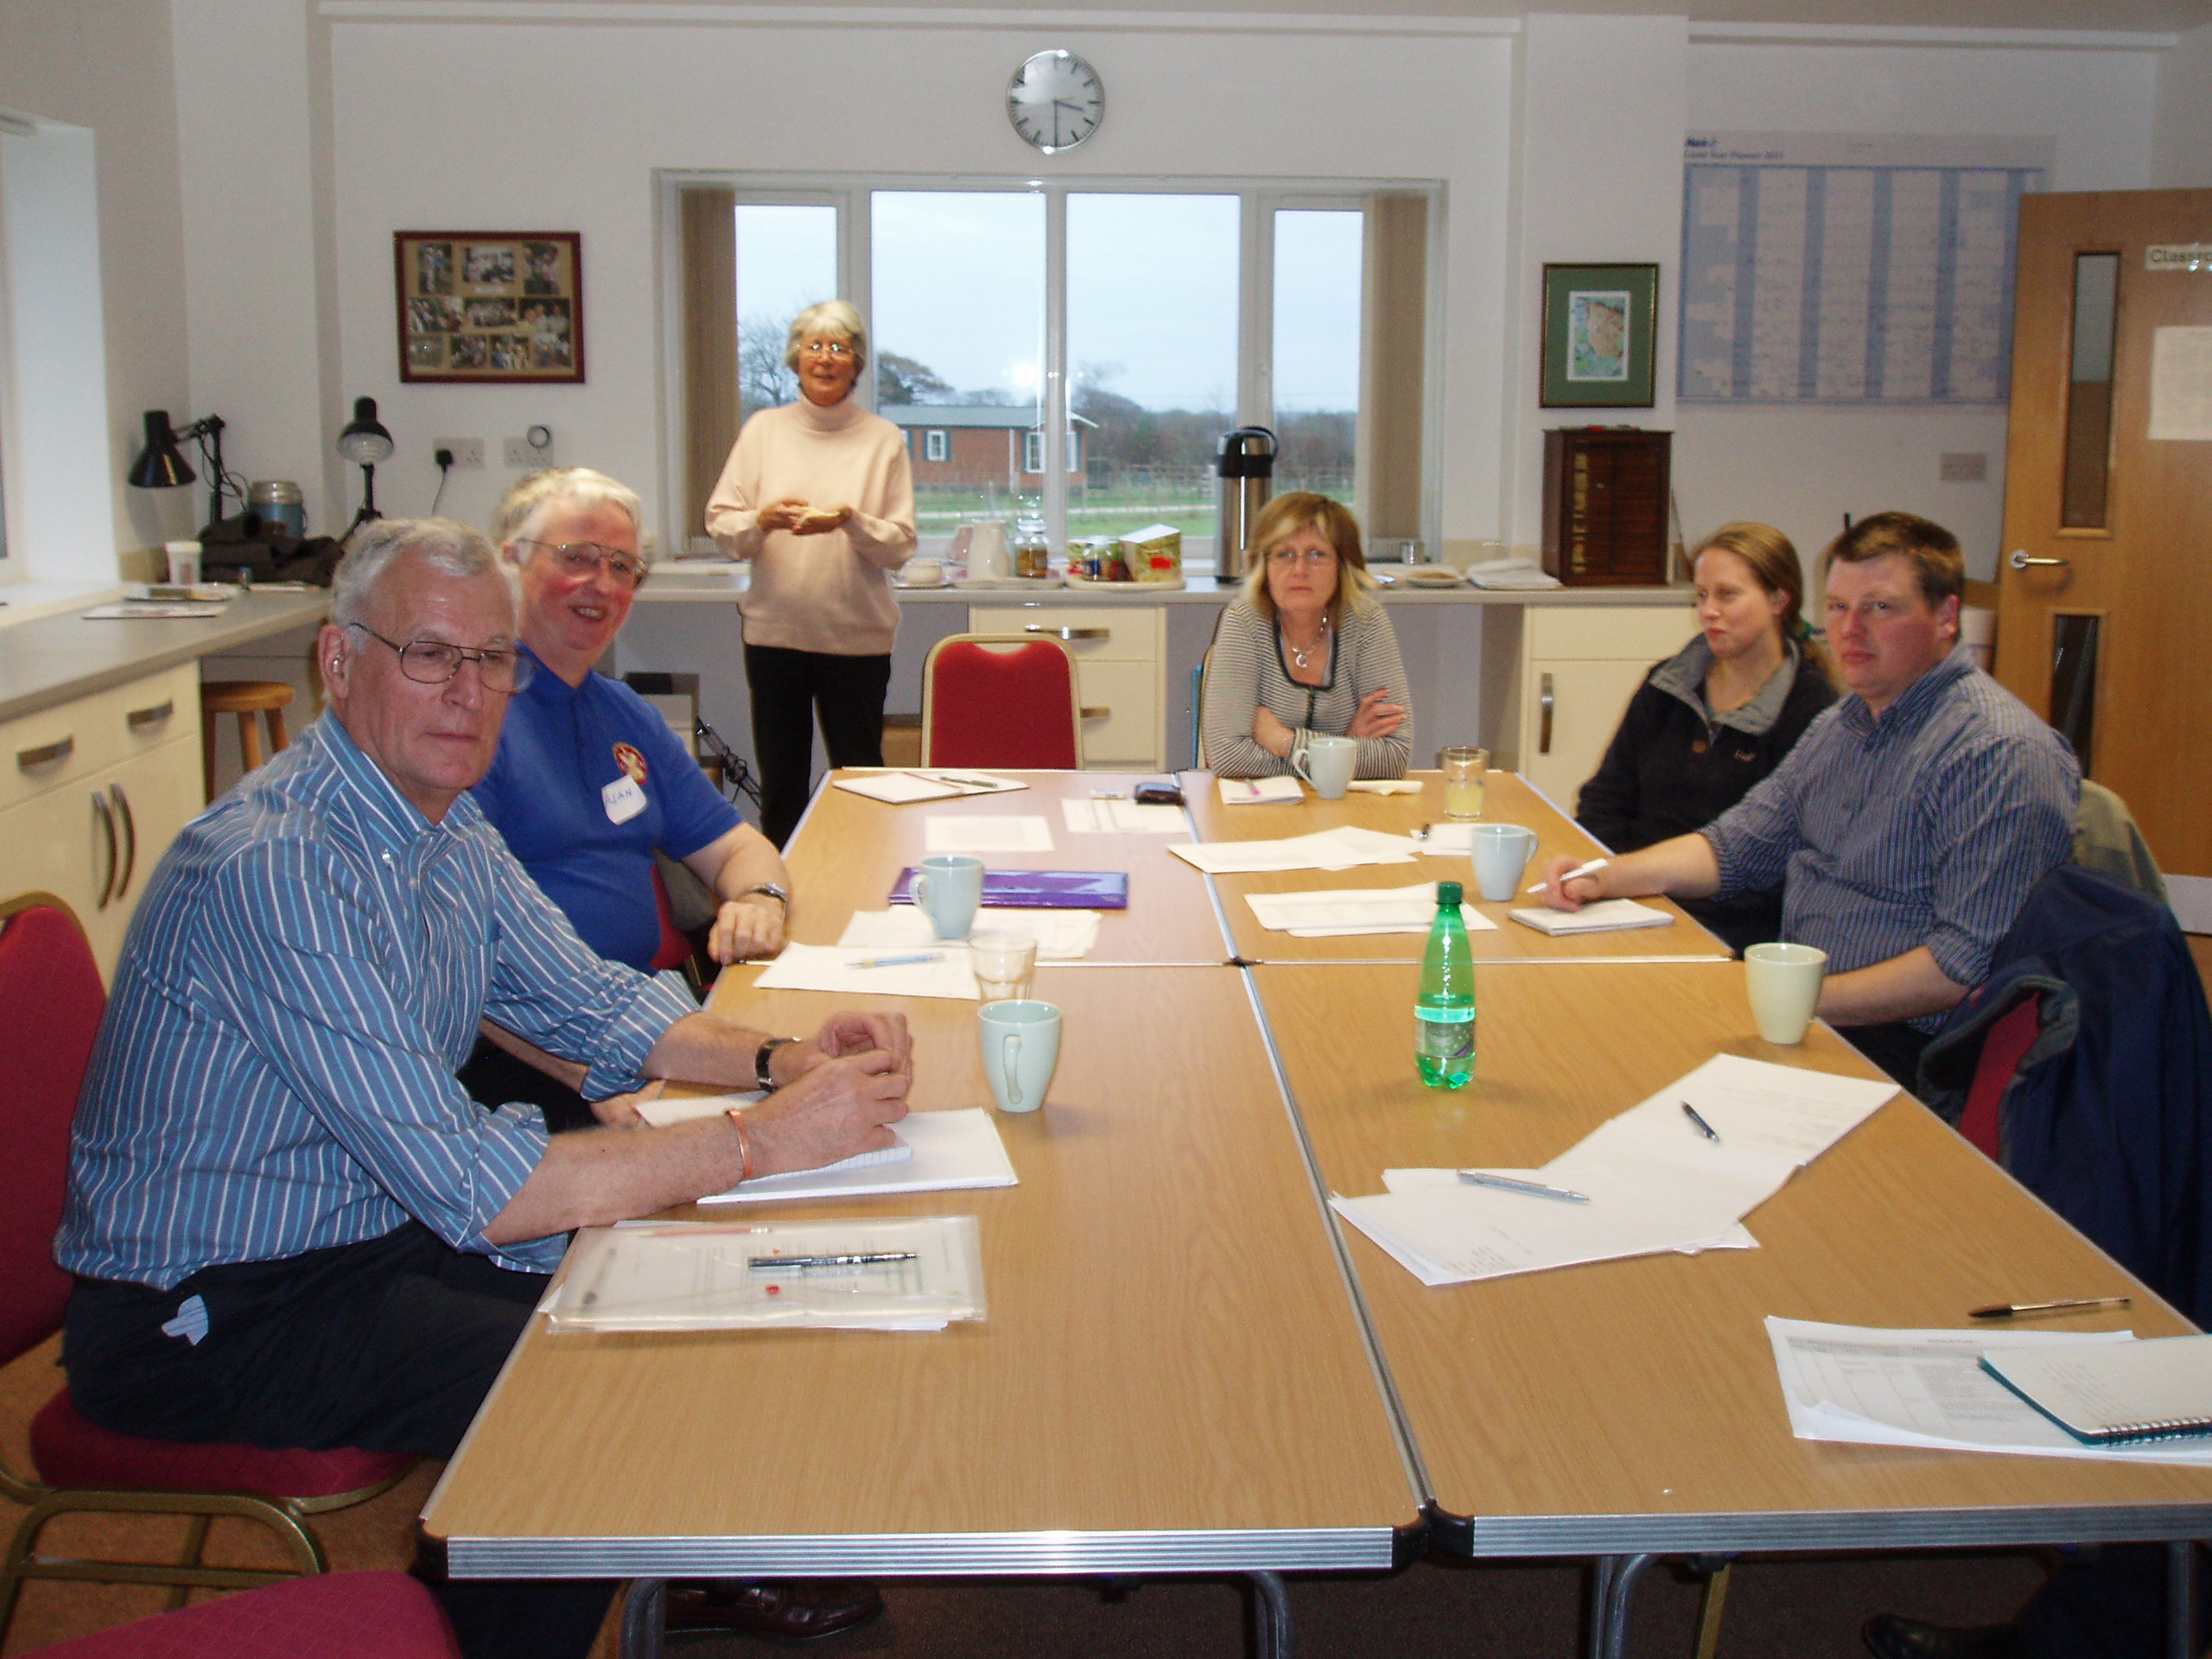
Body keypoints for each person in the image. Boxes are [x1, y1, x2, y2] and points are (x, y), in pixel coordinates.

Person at [54, 519, 912, 1659]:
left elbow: (594, 1007)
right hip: (208, 1308)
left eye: (492, 658)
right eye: (429, 654)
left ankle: (623, 1564)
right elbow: (475, 1186)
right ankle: (478, 1623)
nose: (468, 693)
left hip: (364, 1234)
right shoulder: (275, 867)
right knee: (573, 1384)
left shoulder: (442, 824)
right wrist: (760, 1141)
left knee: (654, 1297)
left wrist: (782, 1059)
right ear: (339, 660)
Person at [1536, 511, 2078, 1090]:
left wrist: (1782, 1001)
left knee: (1619, 1074)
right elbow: (1735, 847)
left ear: (1946, 616)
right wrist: (1603, 877)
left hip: (1904, 1050)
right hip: (1808, 1014)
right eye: (1839, 607)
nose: (1850, 629)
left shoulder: (1999, 754)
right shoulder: (1843, 725)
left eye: (1880, 607)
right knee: (1585, 1042)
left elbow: (1961, 967)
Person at [467, 468, 793, 1129]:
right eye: (578, 558)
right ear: (510, 560)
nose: (603, 584)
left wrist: (760, 900)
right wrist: (585, 1076)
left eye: (622, 566)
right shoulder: (469, 719)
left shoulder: (622, 713)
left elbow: (737, 847)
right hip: (532, 1052)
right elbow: (447, 962)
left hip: (638, 1021)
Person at [705, 299, 917, 846]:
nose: (825, 358)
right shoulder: (763, 430)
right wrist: (762, 519)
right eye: (814, 346)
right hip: (776, 639)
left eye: (839, 347)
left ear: (857, 362)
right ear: (795, 357)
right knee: (782, 788)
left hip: (858, 639)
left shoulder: (883, 439)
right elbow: (723, 525)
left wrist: (850, 521)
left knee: (862, 782)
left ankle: (865, 880)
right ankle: (783, 887)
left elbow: (900, 546)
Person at [1575, 522, 1838, 955]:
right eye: (1701, 596)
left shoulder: (1812, 711)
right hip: (1631, 902)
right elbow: (1605, 801)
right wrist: (1609, 884)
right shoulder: (1667, 683)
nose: (1709, 611)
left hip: (1733, 929)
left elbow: (1785, 862)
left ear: (1779, 600)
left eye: (1727, 595)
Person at [1199, 492, 1411, 779]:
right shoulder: (1244, 621)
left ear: (1342, 565)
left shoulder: (1366, 623)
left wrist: (1282, 741)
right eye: (1284, 555)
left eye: (1317, 555)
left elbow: (1394, 756)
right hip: (1260, 804)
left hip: (1348, 803)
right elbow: (1228, 757)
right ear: (1264, 566)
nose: (1299, 570)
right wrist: (1341, 749)